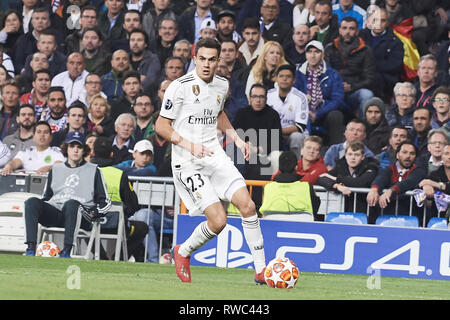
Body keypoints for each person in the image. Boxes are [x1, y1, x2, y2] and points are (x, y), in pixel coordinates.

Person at [155, 38, 267, 284]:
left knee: (248, 206)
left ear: (219, 61)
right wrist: (189, 145)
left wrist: (236, 139)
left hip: (215, 156)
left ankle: (261, 270)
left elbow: (218, 113)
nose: (206, 64)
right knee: (218, 221)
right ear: (195, 58)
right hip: (187, 161)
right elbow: (161, 126)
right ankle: (182, 252)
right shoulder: (179, 86)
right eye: (202, 58)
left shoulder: (221, 84)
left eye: (211, 59)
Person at [23, 131, 111, 258]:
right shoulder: (56, 169)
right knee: (31, 202)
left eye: (79, 147)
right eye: (72, 146)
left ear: (84, 150)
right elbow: (47, 197)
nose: (75, 150)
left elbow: (105, 201)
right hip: (57, 213)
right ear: (66, 148)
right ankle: (30, 248)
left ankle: (67, 250)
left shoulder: (94, 170)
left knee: (71, 204)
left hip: (82, 215)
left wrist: (95, 213)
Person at [90, 135, 148, 262]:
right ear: (111, 154)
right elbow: (134, 204)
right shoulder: (119, 174)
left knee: (84, 228)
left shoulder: (85, 172)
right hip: (116, 225)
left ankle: (101, 257)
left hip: (90, 222)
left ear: (92, 152)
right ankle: (120, 258)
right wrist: (123, 213)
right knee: (142, 228)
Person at [294, 40, 345, 146]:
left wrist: (318, 114)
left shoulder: (332, 74)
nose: (313, 56)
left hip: (324, 112)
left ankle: (335, 150)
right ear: (305, 54)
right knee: (304, 116)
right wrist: (306, 110)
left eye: (316, 52)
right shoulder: (299, 73)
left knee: (336, 115)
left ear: (322, 54)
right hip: (305, 112)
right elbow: (295, 95)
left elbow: (337, 99)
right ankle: (306, 149)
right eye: (309, 52)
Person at [324, 16, 375, 118]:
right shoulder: (330, 48)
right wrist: (338, 86)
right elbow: (325, 73)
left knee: (367, 95)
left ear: (357, 31)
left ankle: (362, 125)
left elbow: (369, 78)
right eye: (344, 28)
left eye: (351, 29)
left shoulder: (365, 50)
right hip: (334, 90)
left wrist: (351, 87)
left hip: (355, 90)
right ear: (339, 30)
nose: (347, 32)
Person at [366, 141, 427, 223]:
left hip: (410, 218)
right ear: (397, 155)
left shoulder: (419, 171)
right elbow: (381, 179)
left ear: (415, 157)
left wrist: (391, 191)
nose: (408, 156)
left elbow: (408, 182)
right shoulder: (389, 169)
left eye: (412, 153)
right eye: (404, 152)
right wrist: (374, 190)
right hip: (387, 216)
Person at [233, 83, 283, 181]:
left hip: (265, 152)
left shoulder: (273, 115)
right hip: (245, 151)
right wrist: (246, 146)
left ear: (266, 99)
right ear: (249, 98)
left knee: (277, 155)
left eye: (261, 97)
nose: (258, 100)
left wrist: (258, 149)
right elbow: (235, 136)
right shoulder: (241, 113)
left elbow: (277, 143)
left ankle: (272, 188)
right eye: (255, 96)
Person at [317, 140, 379, 214]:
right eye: (350, 154)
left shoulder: (371, 166)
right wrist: (337, 186)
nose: (353, 158)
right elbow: (321, 178)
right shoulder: (341, 165)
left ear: (363, 157)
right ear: (345, 155)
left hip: (365, 212)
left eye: (357, 155)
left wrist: (336, 179)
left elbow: (361, 182)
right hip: (343, 210)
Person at [259, 150, 321, 219]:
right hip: (302, 225)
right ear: (296, 167)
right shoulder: (307, 187)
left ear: (279, 167)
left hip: (273, 225)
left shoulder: (268, 187)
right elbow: (315, 207)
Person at [360, 7, 404, 102]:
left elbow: (394, 65)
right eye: (375, 20)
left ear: (387, 23)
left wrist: (370, 65)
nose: (378, 24)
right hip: (360, 75)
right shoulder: (360, 36)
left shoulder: (395, 42)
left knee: (376, 78)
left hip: (383, 82)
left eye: (382, 21)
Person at [266, 64, 309, 159]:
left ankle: (297, 167)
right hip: (273, 134)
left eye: (288, 76)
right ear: (276, 79)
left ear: (294, 80)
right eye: (281, 76)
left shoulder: (301, 97)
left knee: (297, 137)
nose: (284, 79)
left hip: (292, 135)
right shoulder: (268, 95)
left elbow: (300, 127)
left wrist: (278, 131)